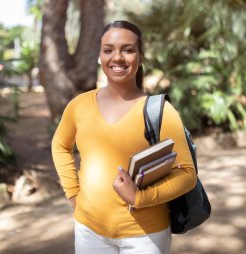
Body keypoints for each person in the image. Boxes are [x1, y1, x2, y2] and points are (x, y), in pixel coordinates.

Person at [51, 20, 197, 254]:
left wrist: (140, 197)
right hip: (89, 231)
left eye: (128, 50)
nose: (117, 57)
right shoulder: (79, 106)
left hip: (145, 236)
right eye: (108, 50)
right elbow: (60, 146)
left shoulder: (160, 111)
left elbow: (187, 174)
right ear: (100, 56)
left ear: (140, 57)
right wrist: (73, 194)